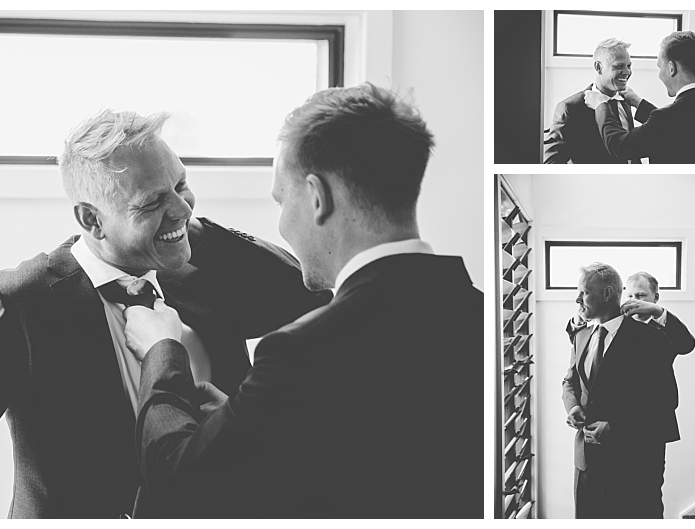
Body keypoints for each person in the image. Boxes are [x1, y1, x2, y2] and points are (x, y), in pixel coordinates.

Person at [0, 110, 331, 518]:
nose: (182, 206)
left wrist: (181, 227)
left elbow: (309, 300)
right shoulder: (18, 304)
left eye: (181, 184)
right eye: (151, 201)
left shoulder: (205, 272)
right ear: (92, 220)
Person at [123, 83, 483, 518]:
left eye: (281, 200)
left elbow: (181, 488)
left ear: (317, 198)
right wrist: (248, 428)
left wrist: (163, 352)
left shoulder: (303, 354)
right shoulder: (484, 319)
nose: (281, 225)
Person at [562, 263, 674, 518]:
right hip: (586, 463)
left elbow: (665, 400)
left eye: (584, 292)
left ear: (607, 293)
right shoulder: (581, 336)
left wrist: (617, 427)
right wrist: (573, 406)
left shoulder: (650, 337)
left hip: (634, 464)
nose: (577, 299)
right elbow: (570, 382)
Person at [584, 31, 695, 163]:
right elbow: (677, 128)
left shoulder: (666, 119)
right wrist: (639, 103)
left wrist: (601, 105)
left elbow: (620, 147)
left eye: (660, 67)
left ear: (671, 68)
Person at [544, 38, 640, 164]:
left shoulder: (625, 101)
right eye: (619, 66)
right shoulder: (570, 108)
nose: (627, 72)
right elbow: (552, 163)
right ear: (598, 67)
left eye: (629, 66)